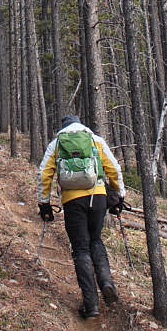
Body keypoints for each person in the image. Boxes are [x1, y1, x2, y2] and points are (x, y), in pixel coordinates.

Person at [37, 114, 126, 318]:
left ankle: (91, 304)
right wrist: (119, 195)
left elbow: (44, 174)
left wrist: (44, 204)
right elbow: (114, 168)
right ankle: (106, 282)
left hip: (72, 201)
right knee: (96, 239)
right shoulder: (95, 140)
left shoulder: (57, 143)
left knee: (80, 248)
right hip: (98, 196)